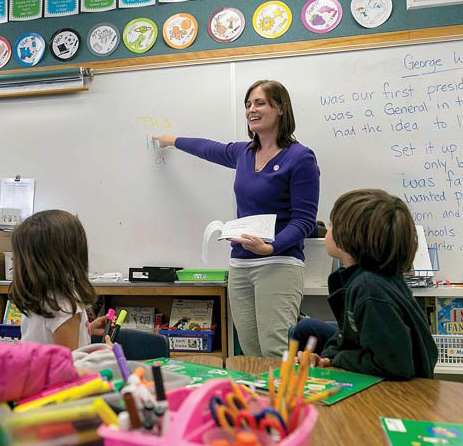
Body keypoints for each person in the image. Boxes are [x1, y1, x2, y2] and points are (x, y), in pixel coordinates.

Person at [154, 80, 320, 358]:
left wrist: (272, 246)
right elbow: (208, 148)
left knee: (275, 349)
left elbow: (304, 221)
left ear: (280, 108)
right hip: (240, 264)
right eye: (247, 104)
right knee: (251, 350)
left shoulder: (300, 158)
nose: (251, 110)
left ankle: (286, 403)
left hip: (278, 262)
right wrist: (172, 140)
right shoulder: (244, 153)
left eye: (259, 103)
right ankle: (259, 402)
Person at [289, 189, 438, 379]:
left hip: (402, 393)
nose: (327, 230)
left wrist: (337, 361)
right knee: (306, 328)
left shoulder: (370, 288)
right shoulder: (364, 278)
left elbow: (394, 365)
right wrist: (327, 359)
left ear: (350, 236)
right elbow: (347, 335)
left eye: (332, 225)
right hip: (381, 360)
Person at [9, 210, 113, 350]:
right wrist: (105, 354)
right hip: (56, 372)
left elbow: (46, 336)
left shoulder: (41, 295)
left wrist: (87, 329)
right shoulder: (64, 304)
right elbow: (67, 366)